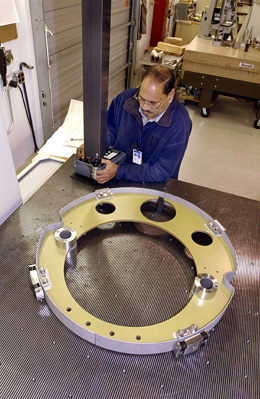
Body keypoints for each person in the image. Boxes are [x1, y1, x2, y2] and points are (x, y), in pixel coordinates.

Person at [95, 65, 192, 184]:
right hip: (115, 175)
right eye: (141, 98)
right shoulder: (125, 100)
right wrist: (95, 146)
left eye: (153, 103)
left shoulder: (179, 124)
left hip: (153, 184)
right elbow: (109, 128)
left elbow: (161, 171)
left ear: (170, 96)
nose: (145, 108)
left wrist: (119, 171)